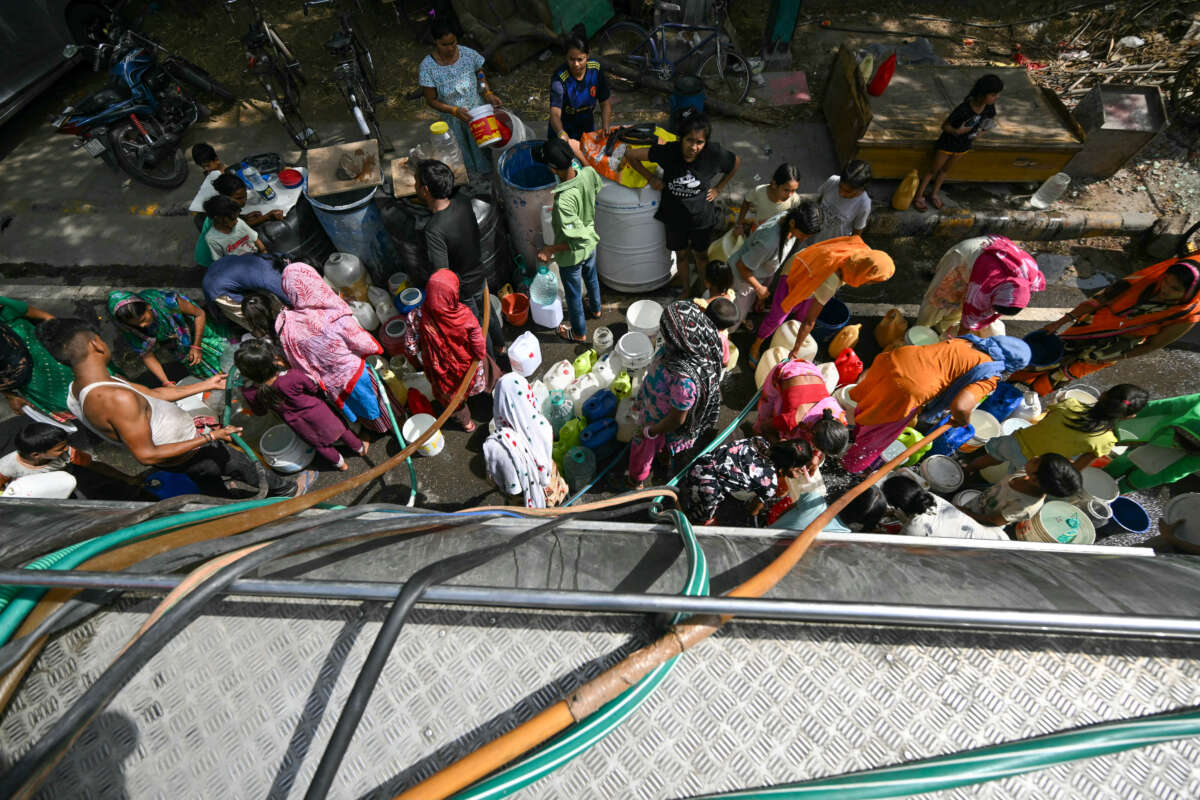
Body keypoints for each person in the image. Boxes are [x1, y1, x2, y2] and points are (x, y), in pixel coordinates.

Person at [39, 317, 301, 498]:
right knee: (239, 462)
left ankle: (224, 501)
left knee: (208, 479)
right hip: (191, 450)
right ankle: (285, 489)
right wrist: (210, 437)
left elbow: (152, 395)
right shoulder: (114, 399)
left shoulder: (82, 387)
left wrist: (204, 385)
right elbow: (147, 455)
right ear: (96, 343)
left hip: (183, 455)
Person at [1010, 258, 1200, 396]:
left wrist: (1116, 356)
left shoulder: (1186, 316)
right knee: (1042, 360)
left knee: (1063, 374)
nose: (1165, 289)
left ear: (1191, 293)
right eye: (1166, 281)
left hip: (1105, 352)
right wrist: (1061, 322)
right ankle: (1009, 387)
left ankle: (1029, 396)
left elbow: (1152, 345)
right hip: (1085, 330)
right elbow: (1099, 300)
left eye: (1175, 289)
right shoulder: (1145, 281)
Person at [843, 335, 1031, 473]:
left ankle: (851, 431)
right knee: (880, 433)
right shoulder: (990, 375)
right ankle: (850, 465)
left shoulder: (968, 342)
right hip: (908, 390)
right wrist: (962, 421)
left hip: (893, 360)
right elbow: (961, 406)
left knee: (871, 406)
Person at [622, 114, 741, 295]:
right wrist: (651, 178)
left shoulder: (714, 154)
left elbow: (736, 163)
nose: (693, 147)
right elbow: (631, 155)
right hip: (674, 217)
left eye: (699, 142)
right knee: (682, 255)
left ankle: (703, 289)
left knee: (701, 257)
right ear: (681, 139)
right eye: (689, 140)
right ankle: (686, 289)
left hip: (702, 219)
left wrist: (719, 187)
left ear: (706, 142)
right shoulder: (668, 151)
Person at [275, 263, 390, 434]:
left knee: (358, 407)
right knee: (376, 402)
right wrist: (378, 348)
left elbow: (299, 363)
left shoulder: (287, 325)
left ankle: (374, 429)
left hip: (331, 385)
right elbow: (365, 344)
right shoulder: (332, 314)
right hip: (356, 375)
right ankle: (389, 426)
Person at [627, 301, 724, 488]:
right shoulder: (690, 347)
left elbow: (677, 420)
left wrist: (652, 431)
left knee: (642, 451)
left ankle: (636, 480)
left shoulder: (684, 380)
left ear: (675, 337)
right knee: (663, 444)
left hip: (657, 422)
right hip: (656, 409)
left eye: (664, 330)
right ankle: (662, 456)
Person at [414, 159, 505, 355]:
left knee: (478, 328)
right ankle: (501, 345)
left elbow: (443, 273)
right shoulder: (463, 203)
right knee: (488, 313)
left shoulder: (434, 229)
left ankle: (491, 366)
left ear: (426, 190)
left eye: (416, 183)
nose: (414, 187)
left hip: (464, 288)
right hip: (479, 273)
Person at [235, 339, 366, 471]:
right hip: (320, 413)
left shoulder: (250, 392)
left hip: (296, 423)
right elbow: (313, 388)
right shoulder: (292, 376)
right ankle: (360, 449)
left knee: (320, 445)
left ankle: (341, 465)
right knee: (342, 430)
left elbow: (260, 412)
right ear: (272, 361)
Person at [966, 383, 1148, 476]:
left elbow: (1047, 421)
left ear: (1102, 394)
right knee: (1012, 483)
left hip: (1016, 442)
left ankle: (968, 469)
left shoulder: (1069, 404)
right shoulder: (1105, 441)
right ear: (1127, 416)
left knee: (992, 458)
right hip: (1035, 464)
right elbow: (1075, 469)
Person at [398, 269, 500, 432]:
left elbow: (410, 349)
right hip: (470, 365)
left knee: (452, 400)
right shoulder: (463, 315)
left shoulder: (415, 316)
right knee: (491, 376)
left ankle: (467, 424)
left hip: (442, 374)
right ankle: (503, 399)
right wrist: (477, 355)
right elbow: (479, 348)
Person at [771, 234, 895, 362]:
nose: (870, 283)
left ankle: (764, 303)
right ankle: (756, 345)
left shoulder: (862, 252)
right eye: (873, 280)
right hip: (793, 271)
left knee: (798, 310)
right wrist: (796, 350)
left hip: (807, 259)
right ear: (866, 273)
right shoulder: (830, 282)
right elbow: (809, 321)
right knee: (777, 315)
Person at [728, 202, 824, 354]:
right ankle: (725, 337)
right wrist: (759, 288)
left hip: (757, 274)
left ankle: (739, 320)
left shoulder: (788, 220)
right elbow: (741, 266)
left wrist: (761, 292)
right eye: (803, 234)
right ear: (793, 223)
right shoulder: (769, 242)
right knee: (733, 315)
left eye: (808, 236)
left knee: (743, 308)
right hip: (741, 279)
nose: (804, 239)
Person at [535, 137, 604, 343]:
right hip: (591, 246)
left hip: (572, 255)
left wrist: (550, 249)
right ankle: (597, 309)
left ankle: (579, 333)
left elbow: (577, 241)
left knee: (574, 295)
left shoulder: (564, 201)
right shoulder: (587, 173)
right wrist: (579, 153)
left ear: (553, 169)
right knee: (592, 279)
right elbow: (594, 178)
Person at [418, 17, 502, 176]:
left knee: (486, 149)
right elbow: (431, 100)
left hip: (478, 114)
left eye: (453, 43)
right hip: (453, 118)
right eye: (444, 45)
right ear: (435, 42)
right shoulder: (427, 67)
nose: (450, 48)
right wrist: (454, 110)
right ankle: (471, 182)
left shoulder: (468, 54)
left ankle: (489, 178)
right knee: (462, 156)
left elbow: (480, 71)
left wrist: (487, 92)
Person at [916, 236, 1045, 335]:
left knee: (961, 303)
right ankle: (922, 327)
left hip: (989, 258)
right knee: (940, 297)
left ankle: (944, 325)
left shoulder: (1025, 285)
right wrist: (960, 341)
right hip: (966, 257)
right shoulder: (984, 287)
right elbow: (969, 317)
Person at [914, 74, 1004, 211]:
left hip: (964, 145)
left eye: (997, 94)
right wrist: (957, 132)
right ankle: (919, 196)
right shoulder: (963, 109)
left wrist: (981, 133)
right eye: (993, 94)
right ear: (982, 94)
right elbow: (945, 126)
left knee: (945, 171)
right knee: (933, 170)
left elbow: (987, 124)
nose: (996, 97)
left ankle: (934, 194)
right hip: (947, 143)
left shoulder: (989, 109)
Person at [483, 373, 568, 508]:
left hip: (523, 500)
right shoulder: (542, 425)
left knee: (527, 519)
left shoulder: (496, 446)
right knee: (556, 505)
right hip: (550, 484)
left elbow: (496, 481)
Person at [108, 289, 228, 384]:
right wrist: (166, 382)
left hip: (199, 331)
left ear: (148, 306)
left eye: (143, 319)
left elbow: (199, 314)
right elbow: (146, 354)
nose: (143, 325)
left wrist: (196, 346)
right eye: (137, 324)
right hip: (179, 346)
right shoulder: (130, 329)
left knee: (227, 356)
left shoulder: (167, 302)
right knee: (210, 373)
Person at [683, 437, 807, 525]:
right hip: (707, 489)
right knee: (708, 520)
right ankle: (687, 519)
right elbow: (752, 510)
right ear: (792, 467)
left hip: (698, 465)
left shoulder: (759, 441)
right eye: (799, 467)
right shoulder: (770, 484)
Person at [1104, 392, 1200, 492]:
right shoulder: (1196, 404)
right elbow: (1163, 406)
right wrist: (1124, 412)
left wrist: (1131, 484)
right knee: (1123, 463)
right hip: (1163, 438)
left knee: (1137, 480)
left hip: (1179, 455)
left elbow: (1179, 469)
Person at [0, 296, 75, 417]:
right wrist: (10, 395)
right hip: (35, 386)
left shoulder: (4, 308)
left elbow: (48, 319)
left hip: (61, 364)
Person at [959, 453, 1081, 527]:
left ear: (1035, 479)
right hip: (980, 502)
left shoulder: (1023, 506)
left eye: (1037, 461)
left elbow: (994, 521)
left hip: (979, 521)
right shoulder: (1026, 474)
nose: (1034, 457)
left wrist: (968, 514)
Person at [755, 359, 849, 450]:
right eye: (817, 448)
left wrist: (816, 455)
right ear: (813, 433)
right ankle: (755, 433)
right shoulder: (791, 422)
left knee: (783, 408)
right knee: (766, 408)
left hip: (811, 370)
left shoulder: (839, 418)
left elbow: (826, 433)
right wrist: (779, 445)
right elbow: (765, 426)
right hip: (786, 371)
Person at [883, 474, 1007, 540]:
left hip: (986, 555)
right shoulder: (931, 498)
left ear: (897, 505)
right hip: (998, 537)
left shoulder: (913, 530)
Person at [202, 253, 288, 333]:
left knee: (264, 303)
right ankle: (264, 336)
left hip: (223, 269)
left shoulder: (268, 258)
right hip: (216, 287)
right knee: (250, 313)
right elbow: (293, 301)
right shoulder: (271, 278)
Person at [548, 35, 611, 142]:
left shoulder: (595, 70)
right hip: (563, 127)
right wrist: (562, 134)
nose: (576, 64)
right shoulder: (560, 78)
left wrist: (606, 125)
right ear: (566, 57)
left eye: (580, 59)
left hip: (586, 128)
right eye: (571, 59)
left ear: (588, 55)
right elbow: (555, 112)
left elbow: (605, 102)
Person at [0, 422, 80, 493]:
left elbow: (88, 462)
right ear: (36, 455)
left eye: (66, 445)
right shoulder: (6, 467)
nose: (66, 448)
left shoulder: (67, 453)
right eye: (60, 449)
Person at [811, 160, 872, 244]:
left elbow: (857, 233)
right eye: (840, 187)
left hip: (833, 246)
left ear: (861, 189)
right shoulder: (832, 181)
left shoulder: (864, 204)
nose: (841, 193)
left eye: (848, 191)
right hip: (813, 235)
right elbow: (818, 200)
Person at [734, 163, 802, 235]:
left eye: (794, 190)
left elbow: (795, 220)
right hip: (757, 232)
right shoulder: (759, 191)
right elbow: (746, 202)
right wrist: (739, 225)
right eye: (786, 190)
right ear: (774, 184)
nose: (790, 195)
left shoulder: (795, 200)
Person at [203, 195, 266, 262]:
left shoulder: (239, 222)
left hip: (255, 257)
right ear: (218, 218)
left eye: (236, 218)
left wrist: (264, 253)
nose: (236, 221)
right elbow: (220, 262)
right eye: (233, 219)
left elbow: (256, 239)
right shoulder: (212, 239)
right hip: (237, 265)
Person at [703, 296, 738, 370]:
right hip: (707, 369)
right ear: (725, 328)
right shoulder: (722, 339)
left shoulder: (695, 323)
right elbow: (725, 361)